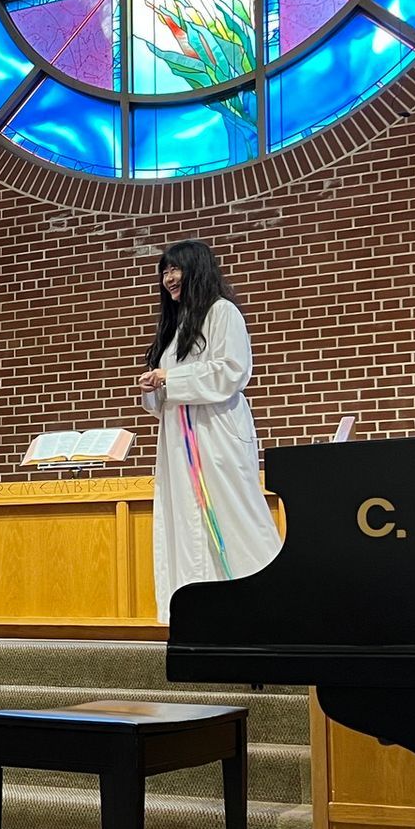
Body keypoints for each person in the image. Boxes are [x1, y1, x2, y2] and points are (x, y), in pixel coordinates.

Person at [138, 239, 283, 625]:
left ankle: (268, 607)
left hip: (215, 435)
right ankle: (199, 613)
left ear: (197, 269)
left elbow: (232, 371)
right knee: (185, 522)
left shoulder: (223, 314)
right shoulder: (176, 328)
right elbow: (165, 397)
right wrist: (155, 388)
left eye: (175, 268)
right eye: (164, 271)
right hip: (180, 441)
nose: (169, 278)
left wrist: (172, 377)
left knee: (234, 513)